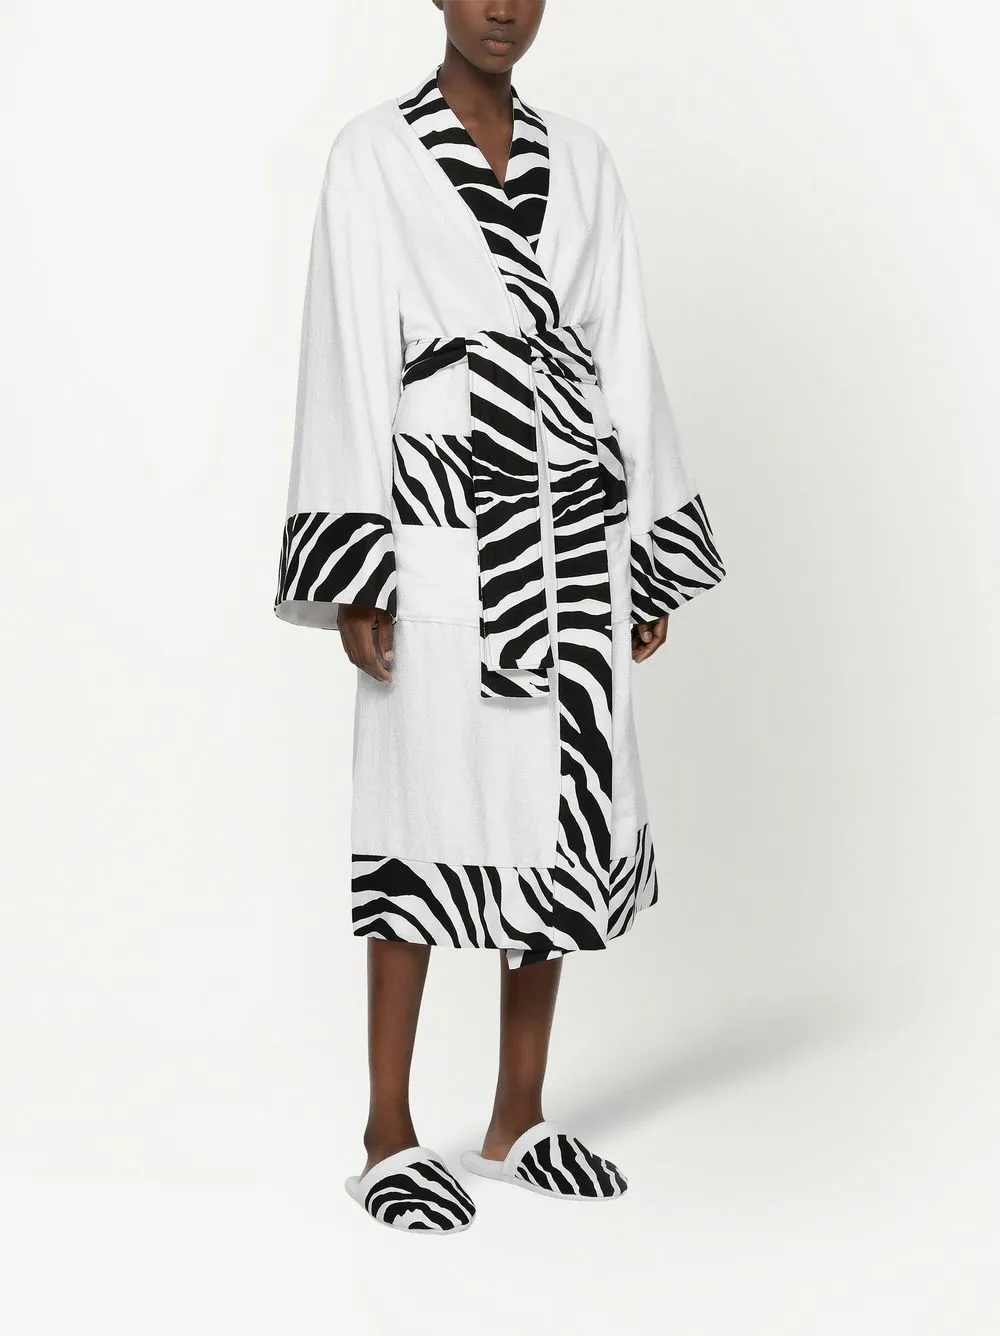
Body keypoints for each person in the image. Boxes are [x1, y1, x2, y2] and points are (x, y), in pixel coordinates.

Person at [273, 0, 726, 1233]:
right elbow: (345, 350)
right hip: (440, 519)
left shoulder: (584, 160)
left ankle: (516, 1115)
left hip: (572, 522)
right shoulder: (374, 153)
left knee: (557, 808)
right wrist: (356, 562)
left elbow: (621, 347)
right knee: (421, 804)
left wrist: (648, 555)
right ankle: (386, 1131)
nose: (501, 8)